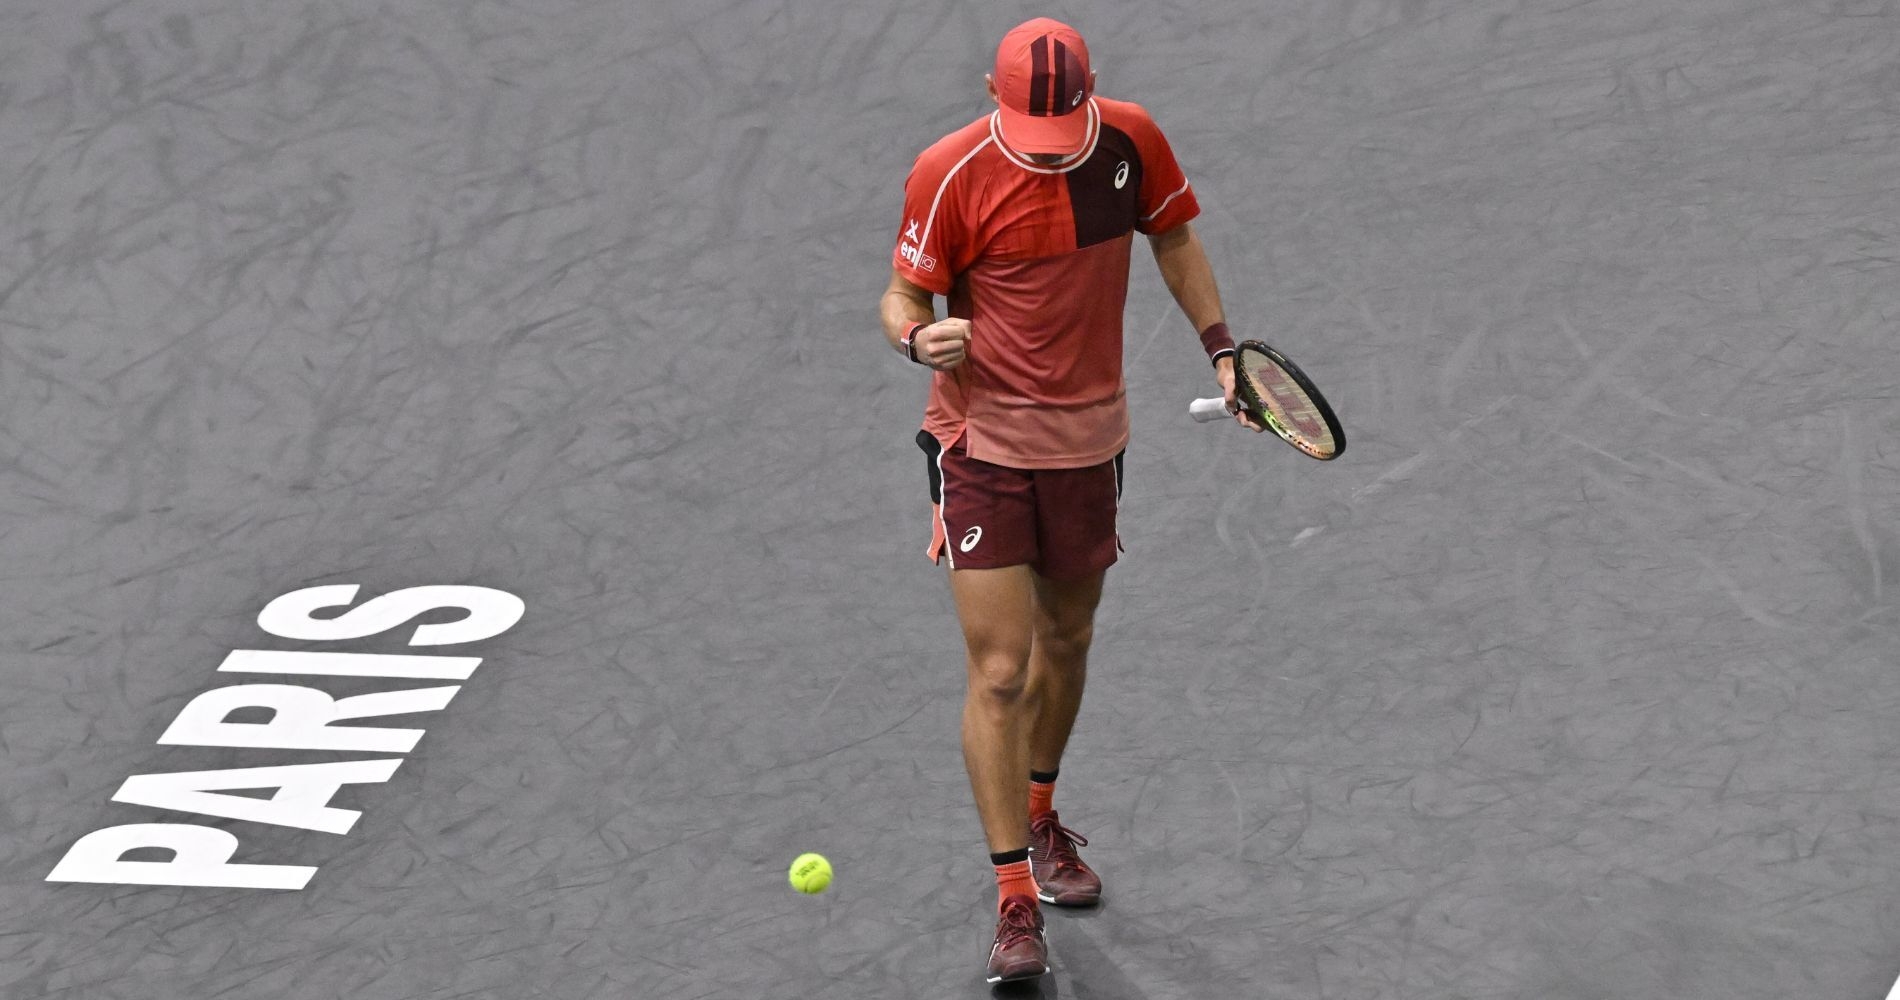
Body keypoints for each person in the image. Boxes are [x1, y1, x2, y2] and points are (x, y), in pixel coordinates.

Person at [878, 16, 1261, 985]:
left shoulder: (1130, 143)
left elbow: (1174, 239)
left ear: (1091, 96)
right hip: (984, 441)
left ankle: (1040, 813)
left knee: (1069, 640)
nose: (1047, 158)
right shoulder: (950, 169)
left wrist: (1222, 349)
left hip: (1090, 439)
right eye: (1028, 134)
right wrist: (916, 340)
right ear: (988, 94)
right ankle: (1014, 894)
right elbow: (900, 297)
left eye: (1063, 133)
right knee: (1002, 669)